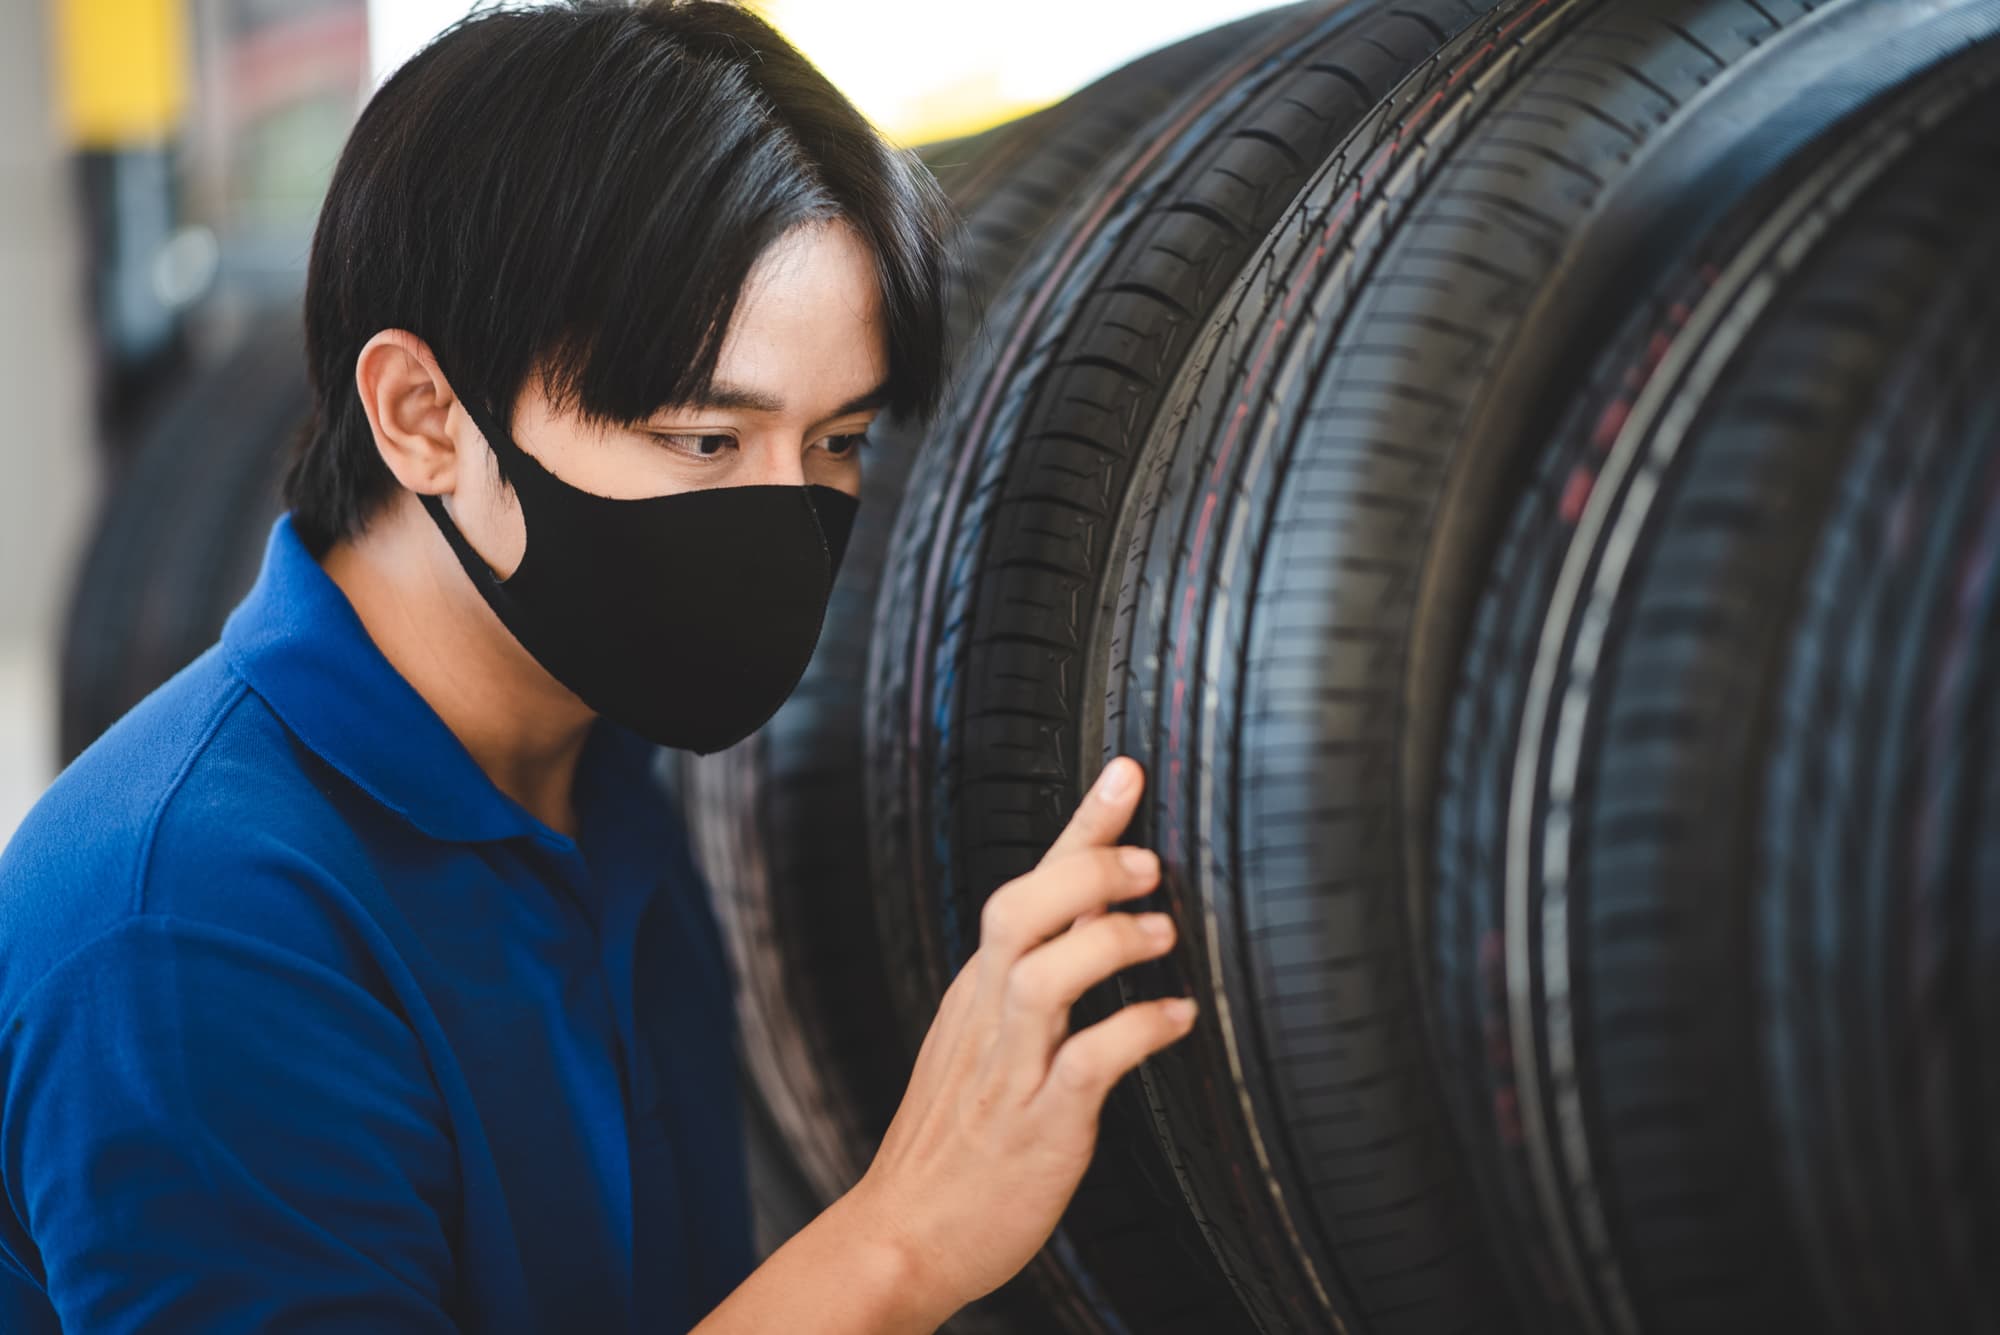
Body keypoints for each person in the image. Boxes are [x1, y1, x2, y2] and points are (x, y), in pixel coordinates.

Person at [0, 3, 1199, 1332]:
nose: (784, 518)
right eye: (704, 441)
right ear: (423, 417)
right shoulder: (192, 926)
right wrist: (899, 1244)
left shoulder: (598, 769)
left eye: (838, 440)